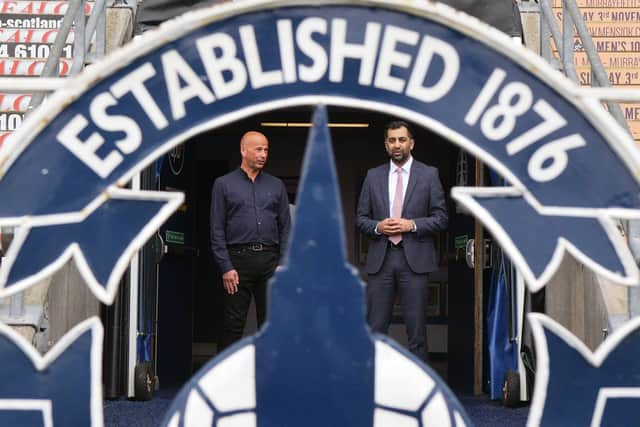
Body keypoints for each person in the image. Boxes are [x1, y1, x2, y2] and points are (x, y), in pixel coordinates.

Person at [356, 120, 448, 361]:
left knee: (417, 332)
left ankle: (419, 392)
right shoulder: (373, 176)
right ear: (386, 145)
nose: (397, 145)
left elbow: (441, 218)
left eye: (402, 140)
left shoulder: (429, 175)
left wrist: (412, 225)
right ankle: (374, 389)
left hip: (414, 262)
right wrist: (378, 226)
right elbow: (360, 219)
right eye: (392, 140)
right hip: (381, 260)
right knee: (375, 330)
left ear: (411, 143)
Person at [210, 131, 291, 351]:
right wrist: (226, 267)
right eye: (258, 149)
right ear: (243, 150)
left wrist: (283, 263)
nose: (263, 154)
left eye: (266, 150)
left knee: (271, 323)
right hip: (237, 262)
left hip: (270, 262)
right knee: (232, 324)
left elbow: (286, 227)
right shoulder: (223, 184)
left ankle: (270, 377)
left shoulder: (276, 186)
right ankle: (226, 378)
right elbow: (216, 229)